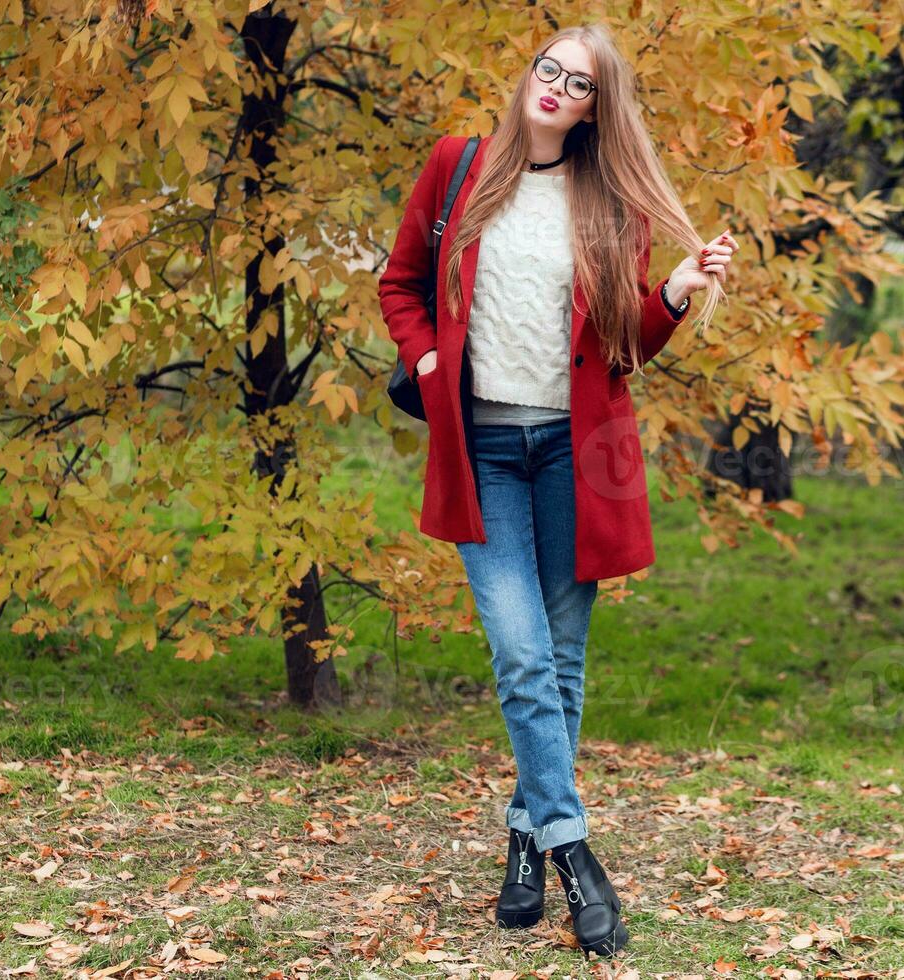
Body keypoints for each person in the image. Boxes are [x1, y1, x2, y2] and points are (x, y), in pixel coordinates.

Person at [377, 23, 736, 960]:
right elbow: (401, 282)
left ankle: (524, 842)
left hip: (577, 456)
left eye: (577, 83)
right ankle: (577, 856)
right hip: (484, 451)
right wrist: (422, 359)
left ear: (593, 109)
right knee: (523, 656)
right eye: (549, 69)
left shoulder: (612, 205)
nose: (555, 87)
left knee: (562, 663)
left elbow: (620, 348)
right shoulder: (460, 169)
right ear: (529, 76)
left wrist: (675, 294)